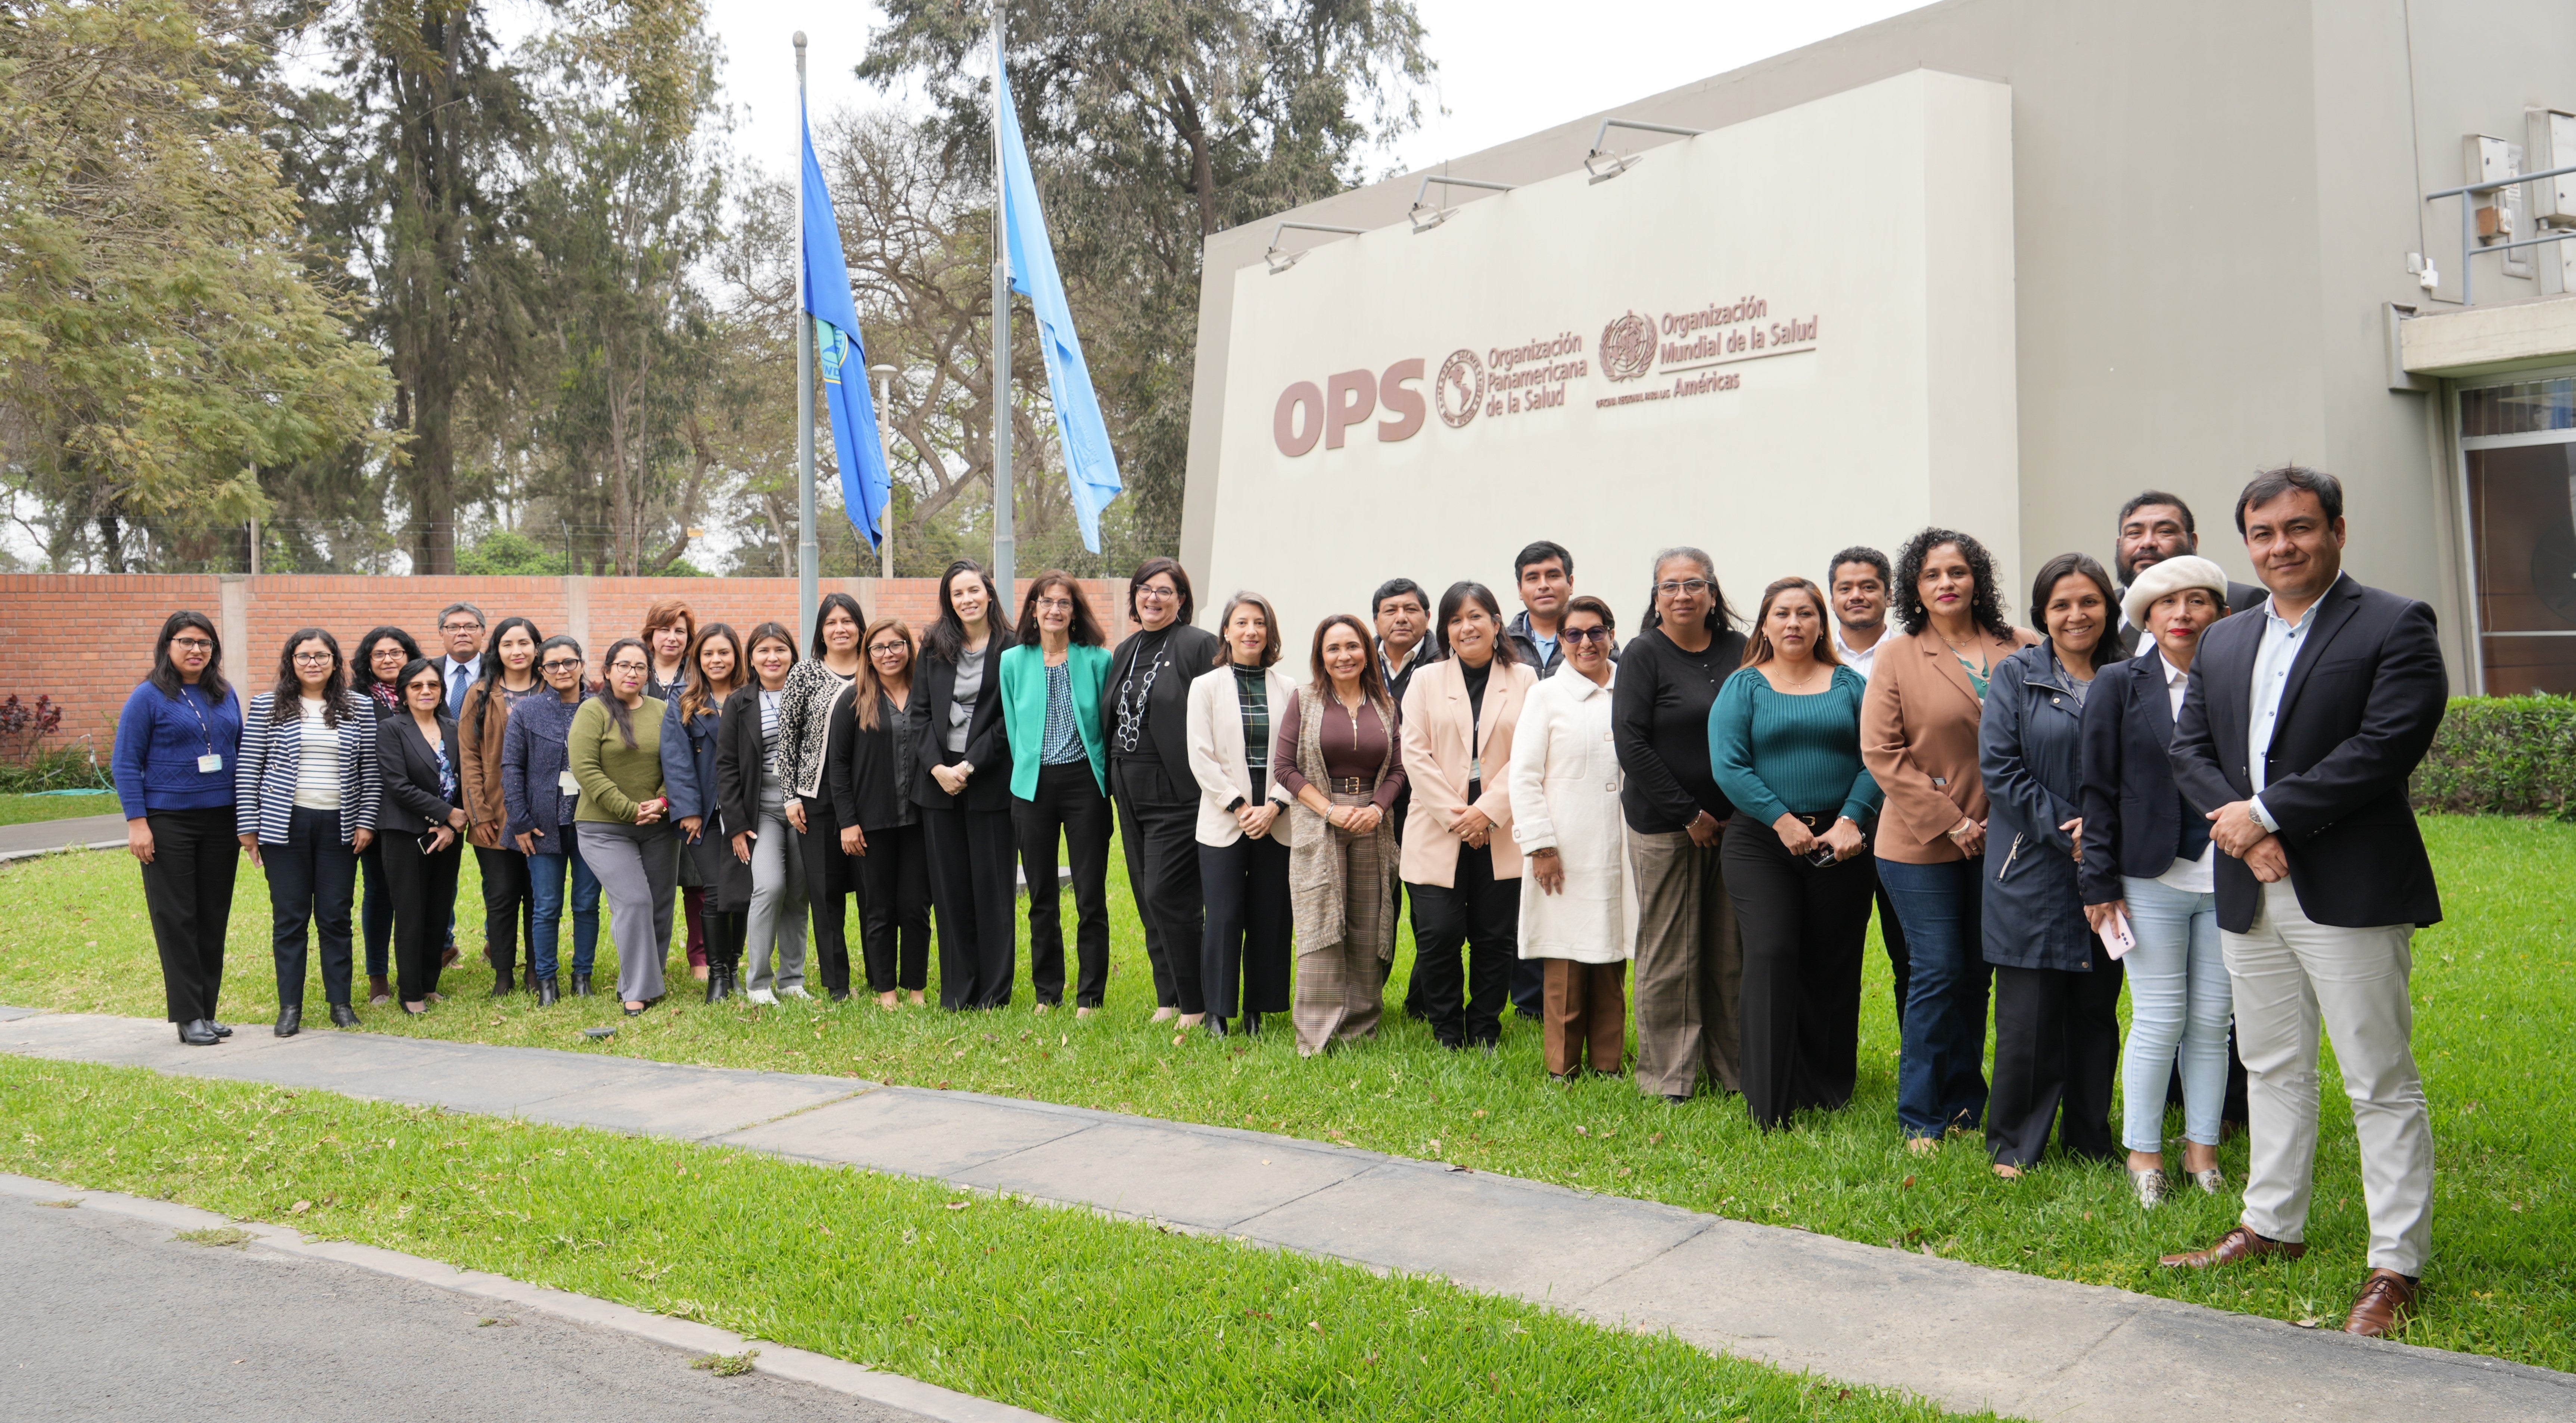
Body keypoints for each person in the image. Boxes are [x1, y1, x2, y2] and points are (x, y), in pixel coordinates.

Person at [2160, 466, 2448, 1341]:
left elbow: (2383, 745)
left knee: (2376, 1076)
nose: (2279, 545)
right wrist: (2247, 834)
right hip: (2251, 887)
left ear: (2335, 530)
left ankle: (2394, 1261)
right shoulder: (2222, 635)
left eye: (2297, 527)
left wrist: (2267, 814)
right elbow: (2187, 748)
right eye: (2262, 533)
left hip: (2349, 887)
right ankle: (2268, 1224)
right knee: (2271, 1062)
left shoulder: (2394, 623)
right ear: (2244, 542)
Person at [1862, 528, 2039, 1149]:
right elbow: (1881, 752)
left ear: (1977, 579)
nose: (1947, 583)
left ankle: (1967, 1102)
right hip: (1920, 844)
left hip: (2005, 841)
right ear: (1916, 586)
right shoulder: (1898, 655)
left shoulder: (2023, 647)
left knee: (1976, 976)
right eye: (1933, 574)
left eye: (1958, 572)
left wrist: (1999, 822)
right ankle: (1920, 1114)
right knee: (1937, 969)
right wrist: (1953, 820)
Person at [2080, 555, 2233, 1206]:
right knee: (2160, 1017)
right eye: (2167, 604)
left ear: (2220, 614)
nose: (2182, 614)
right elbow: (2097, 789)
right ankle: (2144, 1154)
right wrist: (2097, 883)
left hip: (2229, 876)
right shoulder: (2119, 683)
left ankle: (2202, 1151)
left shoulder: (2238, 680)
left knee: (2213, 1021)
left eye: (2197, 601)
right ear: (2146, 617)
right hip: (2149, 878)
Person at [1710, 579, 1884, 1128]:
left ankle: (1826, 1086)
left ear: (1820, 623)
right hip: (1762, 843)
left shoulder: (1850, 685)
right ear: (1764, 624)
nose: (1793, 623)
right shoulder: (1744, 687)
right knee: (1771, 953)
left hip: (1842, 843)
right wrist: (1782, 820)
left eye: (1805, 613)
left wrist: (1852, 819)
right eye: (1781, 614)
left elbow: (1875, 757)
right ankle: (1768, 1098)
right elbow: (1729, 766)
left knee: (1832, 963)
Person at [1980, 554, 2124, 1176]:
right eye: (2061, 604)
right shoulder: (2015, 675)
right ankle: (2015, 1145)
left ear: (2108, 607)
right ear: (2041, 613)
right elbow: (2001, 771)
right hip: (2032, 866)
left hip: (2112, 868)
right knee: (2029, 1018)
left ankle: (2090, 1137)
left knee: (2095, 1008)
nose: (2076, 614)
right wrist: (2072, 829)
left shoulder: (2130, 674)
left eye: (2088, 601)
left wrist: (2107, 835)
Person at [1614, 548, 1751, 1102]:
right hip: (1664, 826)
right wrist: (1687, 813)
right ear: (1656, 598)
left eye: (1693, 584)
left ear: (1713, 595)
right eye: (1669, 586)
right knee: (1670, 953)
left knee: (1729, 953)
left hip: (1738, 823)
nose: (1682, 595)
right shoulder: (1644, 655)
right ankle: (1669, 1077)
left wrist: (1737, 810)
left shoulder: (1741, 651)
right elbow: (1632, 743)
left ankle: (1732, 1069)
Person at [1401, 581, 1537, 1052]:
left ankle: (1483, 1026)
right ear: (1446, 632)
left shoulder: (1525, 681)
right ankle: (1445, 1027)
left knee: (1494, 935)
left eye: (1476, 615)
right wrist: (1461, 817)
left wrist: (1487, 813)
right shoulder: (1426, 680)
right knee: (1437, 933)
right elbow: (1414, 754)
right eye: (1456, 619)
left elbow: (1529, 756)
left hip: (1500, 828)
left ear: (1498, 624)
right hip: (1437, 826)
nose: (1467, 626)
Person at [1508, 595, 1631, 1081]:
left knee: (1610, 957)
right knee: (1565, 963)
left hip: (1621, 847)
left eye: (1596, 632)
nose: (1586, 643)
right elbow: (1523, 777)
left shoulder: (1631, 691)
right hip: (1563, 849)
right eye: (1575, 634)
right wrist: (1540, 846)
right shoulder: (1545, 696)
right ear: (1560, 641)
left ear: (1611, 636)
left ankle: (1608, 1064)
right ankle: (1563, 1068)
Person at [234, 628, 379, 1036]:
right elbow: (248, 769)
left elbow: (371, 773)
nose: (312, 662)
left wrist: (367, 821)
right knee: (290, 918)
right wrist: (248, 827)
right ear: (290, 661)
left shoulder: (359, 707)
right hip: (284, 826)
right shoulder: (267, 705)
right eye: (303, 655)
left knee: (335, 915)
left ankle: (341, 1003)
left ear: (335, 660)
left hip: (340, 825)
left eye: (321, 655)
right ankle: (290, 1008)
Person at [1275, 614, 1406, 1056]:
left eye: (1352, 646)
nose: (1344, 655)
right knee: (1321, 921)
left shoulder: (1385, 703)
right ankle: (1315, 1033)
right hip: (1320, 822)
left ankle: (1359, 1026)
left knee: (1368, 925)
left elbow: (1399, 769)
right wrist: (1329, 810)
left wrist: (1376, 808)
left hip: (1372, 821)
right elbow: (1285, 768)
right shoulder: (1305, 699)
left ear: (1366, 652)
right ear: (1321, 657)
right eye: (1333, 648)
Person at [116, 611, 246, 1046]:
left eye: (205, 643)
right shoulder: (148, 696)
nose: (196, 650)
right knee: (177, 917)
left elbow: (240, 752)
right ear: (168, 645)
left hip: (221, 818)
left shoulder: (224, 694)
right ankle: (188, 1015)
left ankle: (207, 1010)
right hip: (168, 821)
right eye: (187, 641)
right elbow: (126, 762)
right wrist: (138, 823)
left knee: (213, 915)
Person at [1109, 557, 1225, 1024]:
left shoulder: (1199, 645)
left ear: (1181, 599)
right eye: (1145, 589)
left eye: (1165, 590)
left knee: (1166, 893)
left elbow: (1220, 711)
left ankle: (1195, 1003)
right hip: (1127, 785)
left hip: (1177, 788)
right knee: (1143, 893)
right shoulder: (1125, 649)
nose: (1153, 598)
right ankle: (1169, 996)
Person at [997, 574, 1112, 1014]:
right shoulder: (1012, 661)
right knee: (1041, 896)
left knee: (1089, 895)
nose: (1054, 610)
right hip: (1032, 786)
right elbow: (1011, 724)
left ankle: (1090, 996)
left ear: (1074, 611)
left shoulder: (1097, 659)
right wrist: (1030, 767)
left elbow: (1104, 725)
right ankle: (1048, 991)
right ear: (1033, 609)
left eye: (1064, 603)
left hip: (1086, 784)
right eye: (1046, 602)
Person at [1186, 591, 1297, 1038]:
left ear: (1269, 633)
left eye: (1260, 623)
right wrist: (1238, 805)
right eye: (1242, 622)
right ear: (1227, 632)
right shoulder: (1205, 686)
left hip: (1277, 817)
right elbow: (1200, 755)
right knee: (1225, 915)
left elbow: (1298, 755)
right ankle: (1217, 1009)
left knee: (1270, 915)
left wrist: (1273, 805)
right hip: (1224, 820)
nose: (1251, 630)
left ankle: (1257, 1007)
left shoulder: (1289, 688)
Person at [915, 561, 1018, 1010]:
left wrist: (969, 765)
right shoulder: (933, 648)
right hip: (938, 788)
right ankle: (959, 991)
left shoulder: (1014, 648)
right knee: (951, 892)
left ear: (989, 593)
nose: (966, 599)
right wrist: (939, 768)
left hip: (991, 783)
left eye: (973, 590)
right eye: (957, 593)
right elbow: (918, 714)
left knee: (992, 891)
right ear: (949, 600)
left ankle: (993, 993)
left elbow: (1008, 719)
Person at [1826, 546, 1910, 1034]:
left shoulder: (1913, 654)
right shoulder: (1813, 658)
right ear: (1832, 596)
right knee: (1834, 956)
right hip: (1832, 826)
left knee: (1913, 957)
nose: (1857, 596)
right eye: (1846, 588)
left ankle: (1921, 1069)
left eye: (1868, 586)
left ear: (1889, 594)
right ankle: (1832, 1072)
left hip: (1905, 823)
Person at [825, 618, 929, 1010]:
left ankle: (916, 989)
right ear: (867, 654)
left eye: (896, 644)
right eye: (879, 647)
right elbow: (838, 765)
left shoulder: (925, 694)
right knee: (880, 908)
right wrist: (848, 821)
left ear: (908, 646)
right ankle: (887, 992)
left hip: (920, 820)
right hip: (872, 823)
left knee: (916, 906)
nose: (889, 654)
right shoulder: (854, 699)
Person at [571, 638, 676, 1016]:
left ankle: (648, 976)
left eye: (640, 667)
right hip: (604, 827)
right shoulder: (593, 711)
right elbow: (586, 769)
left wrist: (662, 801)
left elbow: (678, 763)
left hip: (658, 825)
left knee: (661, 906)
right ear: (608, 670)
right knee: (634, 901)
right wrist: (630, 809)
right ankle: (637, 990)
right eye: (624, 665)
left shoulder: (664, 710)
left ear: (649, 673)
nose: (632, 673)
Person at [778, 592, 867, 999]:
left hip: (871, 796)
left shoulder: (876, 668)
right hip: (816, 798)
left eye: (847, 620)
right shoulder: (804, 674)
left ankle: (881, 977)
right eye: (831, 622)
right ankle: (837, 984)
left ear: (860, 626)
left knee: (873, 893)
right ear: (821, 631)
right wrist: (790, 795)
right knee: (826, 893)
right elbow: (787, 738)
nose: (840, 628)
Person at [502, 635, 597, 1002]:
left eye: (569, 662)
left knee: (587, 902)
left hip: (590, 822)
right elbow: (511, 766)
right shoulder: (527, 711)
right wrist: (520, 820)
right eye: (553, 664)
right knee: (546, 905)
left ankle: (583, 976)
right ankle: (546, 980)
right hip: (542, 823)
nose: (562, 670)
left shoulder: (600, 707)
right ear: (541, 670)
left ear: (581, 664)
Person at [664, 623, 751, 1003]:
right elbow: (676, 759)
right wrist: (688, 810)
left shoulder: (752, 696)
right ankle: (718, 975)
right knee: (716, 890)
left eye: (724, 652)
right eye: (708, 654)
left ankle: (733, 968)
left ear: (736, 656)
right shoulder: (682, 700)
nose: (717, 660)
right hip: (702, 813)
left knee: (743, 893)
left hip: (746, 812)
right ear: (697, 659)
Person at [377, 656, 468, 1016]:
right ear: (404, 693)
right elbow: (397, 785)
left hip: (448, 836)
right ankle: (410, 992)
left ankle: (429, 984)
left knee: (438, 909)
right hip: (406, 833)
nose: (426, 691)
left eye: (432, 685)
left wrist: (450, 826)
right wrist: (445, 813)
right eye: (417, 686)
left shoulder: (452, 726)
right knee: (411, 913)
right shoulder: (391, 729)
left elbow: (465, 778)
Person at [457, 615, 542, 996]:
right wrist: (479, 813)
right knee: (503, 895)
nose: (517, 651)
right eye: (508, 644)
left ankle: (538, 971)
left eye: (524, 643)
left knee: (540, 896)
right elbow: (469, 758)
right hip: (493, 816)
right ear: (496, 650)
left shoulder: (552, 691)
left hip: (543, 816)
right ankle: (504, 974)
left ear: (537, 647)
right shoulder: (479, 694)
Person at [730, 623, 812, 1004]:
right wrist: (736, 823)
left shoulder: (810, 694)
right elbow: (726, 765)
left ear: (793, 655)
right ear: (752, 658)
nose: (772, 657)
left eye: (780, 649)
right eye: (763, 650)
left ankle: (792, 979)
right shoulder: (740, 701)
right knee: (770, 886)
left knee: (798, 892)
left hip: (804, 807)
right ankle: (758, 982)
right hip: (761, 808)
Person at [1372, 576, 1435, 1009]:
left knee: (1431, 913)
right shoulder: (1358, 659)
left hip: (1429, 806)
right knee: (1375, 909)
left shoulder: (1444, 661)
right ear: (1375, 619)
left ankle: (1423, 1000)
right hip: (1372, 809)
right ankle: (1366, 996)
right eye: (1390, 610)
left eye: (1410, 609)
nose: (1401, 617)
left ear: (1427, 617)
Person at [352, 626, 423, 1005]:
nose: (389, 659)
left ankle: (421, 970)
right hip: (376, 812)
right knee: (379, 893)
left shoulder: (425, 696)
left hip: (422, 812)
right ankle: (378, 975)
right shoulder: (357, 701)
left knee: (419, 896)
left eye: (397, 652)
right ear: (368, 662)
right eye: (379, 654)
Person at [2109, 492, 2264, 661]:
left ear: (2193, 543)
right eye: (2134, 533)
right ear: (2119, 545)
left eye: (2165, 531)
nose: (2147, 543)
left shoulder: (2242, 601)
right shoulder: (2102, 608)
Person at [638, 599, 706, 980]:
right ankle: (650, 957)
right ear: (650, 634)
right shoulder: (635, 673)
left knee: (696, 879)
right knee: (651, 884)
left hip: (689, 791)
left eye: (680, 630)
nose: (672, 637)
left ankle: (699, 958)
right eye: (664, 629)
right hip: (643, 794)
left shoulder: (698, 677)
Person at [1505, 540, 1615, 676]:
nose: (1543, 585)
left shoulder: (1597, 638)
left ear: (1570, 583)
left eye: (1553, 576)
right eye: (1533, 578)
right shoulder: (1503, 643)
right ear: (1520, 589)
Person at [434, 602, 487, 718]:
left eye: (470, 627)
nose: (462, 633)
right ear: (441, 635)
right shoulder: (429, 670)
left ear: (483, 634)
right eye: (453, 628)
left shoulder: (497, 669)